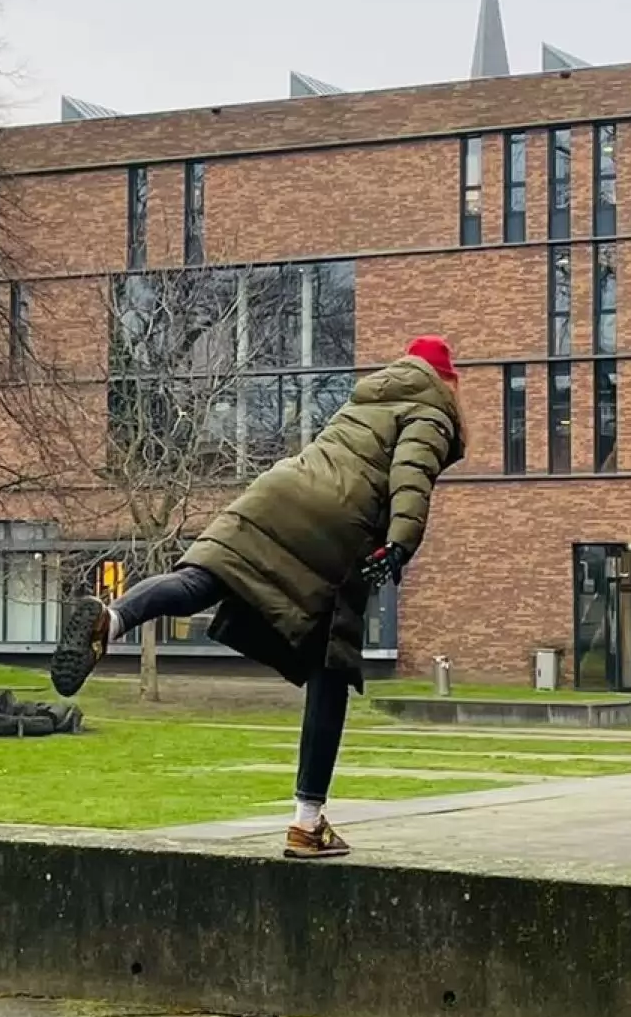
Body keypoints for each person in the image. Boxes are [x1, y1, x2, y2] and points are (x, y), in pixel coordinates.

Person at [52, 336, 465, 859]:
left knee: (202, 577)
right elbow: (411, 473)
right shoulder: (430, 407)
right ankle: (307, 823)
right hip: (337, 528)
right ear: (446, 379)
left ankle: (110, 620)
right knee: (330, 668)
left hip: (276, 490)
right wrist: (401, 543)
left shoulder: (363, 399)